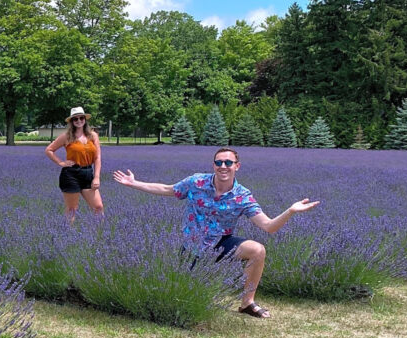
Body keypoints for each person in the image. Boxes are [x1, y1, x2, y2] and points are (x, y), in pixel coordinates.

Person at [112, 147, 320, 318]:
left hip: (221, 245)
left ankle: (247, 303)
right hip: (191, 246)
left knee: (258, 250)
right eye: (219, 162)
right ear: (213, 165)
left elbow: (268, 226)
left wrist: (290, 211)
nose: (223, 166)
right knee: (184, 297)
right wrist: (134, 183)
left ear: (237, 167)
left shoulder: (242, 196)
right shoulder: (196, 182)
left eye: (228, 163)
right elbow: (167, 189)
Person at [44, 106, 103, 221]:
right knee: (72, 209)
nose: (79, 121)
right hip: (71, 175)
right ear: (71, 121)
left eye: (81, 118)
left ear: (85, 119)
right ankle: (68, 235)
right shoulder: (66, 137)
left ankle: (98, 234)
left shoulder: (93, 136)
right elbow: (49, 150)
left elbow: (97, 157)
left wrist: (96, 177)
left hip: (88, 174)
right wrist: (60, 162)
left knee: (98, 207)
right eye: (75, 119)